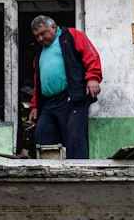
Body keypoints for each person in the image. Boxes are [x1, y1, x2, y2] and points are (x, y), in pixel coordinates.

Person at [26, 16, 102, 160]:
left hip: (71, 97)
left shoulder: (72, 35)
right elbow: (38, 82)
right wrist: (35, 105)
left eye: (43, 33)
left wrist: (93, 77)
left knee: (74, 138)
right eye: (37, 36)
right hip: (49, 102)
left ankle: (78, 175)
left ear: (53, 27)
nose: (41, 38)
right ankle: (49, 175)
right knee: (43, 135)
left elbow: (90, 54)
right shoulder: (39, 52)